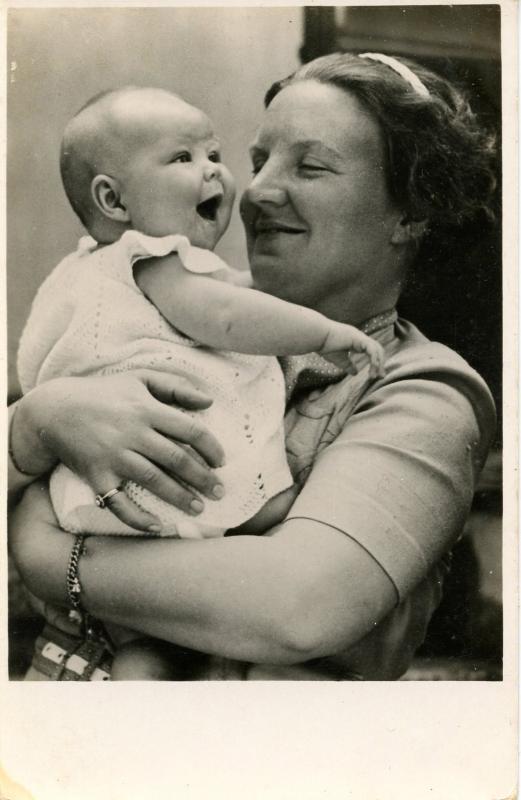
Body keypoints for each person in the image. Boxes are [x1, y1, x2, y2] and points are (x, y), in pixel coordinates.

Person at [9, 52, 497, 681]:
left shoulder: (426, 390)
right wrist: (40, 421)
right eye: (259, 161)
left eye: (311, 167)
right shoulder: (164, 312)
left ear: (409, 212)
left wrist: (51, 555)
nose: (258, 191)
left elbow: (298, 605)